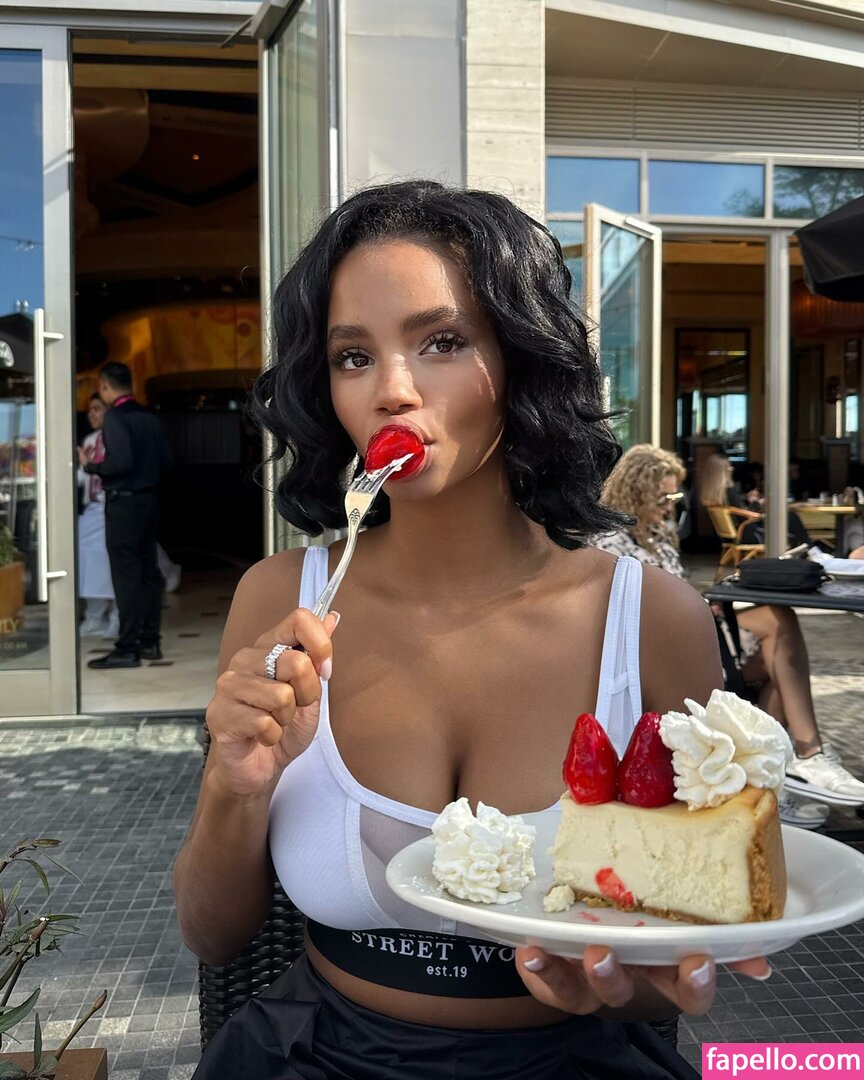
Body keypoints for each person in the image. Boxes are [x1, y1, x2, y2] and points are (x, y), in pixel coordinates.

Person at [174, 181, 770, 1080]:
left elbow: (673, 968)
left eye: (442, 342)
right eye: (352, 356)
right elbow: (213, 935)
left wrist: (620, 985)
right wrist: (235, 784)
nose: (392, 389)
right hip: (314, 1055)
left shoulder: (649, 619)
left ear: (520, 360)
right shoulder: (278, 601)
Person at [596, 444, 864, 828]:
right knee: (777, 626)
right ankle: (804, 758)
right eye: (665, 498)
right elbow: (633, 612)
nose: (671, 507)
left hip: (692, 635)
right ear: (637, 492)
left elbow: (676, 592)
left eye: (675, 498)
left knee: (778, 648)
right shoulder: (611, 542)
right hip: (661, 655)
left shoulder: (656, 532)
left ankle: (782, 773)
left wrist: (701, 607)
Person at [79, 361, 172, 668]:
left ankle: (127, 647)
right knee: (148, 573)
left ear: (105, 386)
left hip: (123, 505)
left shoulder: (116, 417)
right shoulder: (149, 417)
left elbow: (120, 463)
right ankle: (150, 642)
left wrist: (90, 466)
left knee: (126, 576)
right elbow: (166, 461)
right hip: (150, 502)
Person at [700, 451, 811, 547]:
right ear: (722, 472)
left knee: (790, 521)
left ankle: (809, 549)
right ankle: (810, 550)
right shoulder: (729, 490)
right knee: (791, 517)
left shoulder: (717, 495)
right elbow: (745, 516)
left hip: (737, 534)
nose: (732, 469)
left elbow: (738, 512)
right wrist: (757, 503)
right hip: (750, 534)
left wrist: (749, 500)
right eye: (729, 467)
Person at [77, 394, 120, 640]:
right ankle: (94, 616)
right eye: (89, 409)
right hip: (92, 511)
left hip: (112, 508)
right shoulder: (90, 440)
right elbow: (82, 478)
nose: (91, 414)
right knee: (87, 564)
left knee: (113, 566)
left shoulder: (117, 437)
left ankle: (116, 616)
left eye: (96, 409)